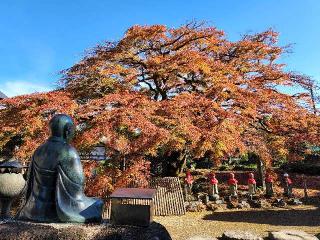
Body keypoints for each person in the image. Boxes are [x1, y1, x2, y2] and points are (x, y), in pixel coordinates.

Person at [17, 114, 103, 223]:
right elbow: (78, 186)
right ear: (67, 130)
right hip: (56, 210)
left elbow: (29, 182)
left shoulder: (38, 150)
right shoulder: (68, 151)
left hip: (33, 208)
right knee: (97, 203)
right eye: (72, 130)